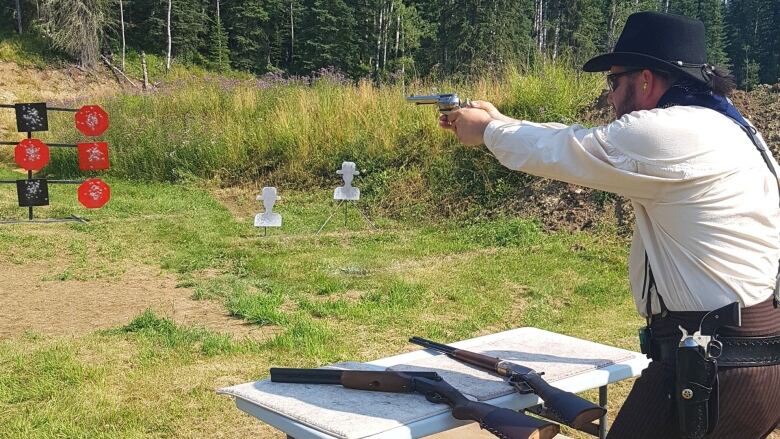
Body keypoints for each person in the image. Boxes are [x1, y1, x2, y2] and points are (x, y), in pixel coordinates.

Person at [439, 11, 780, 439]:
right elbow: (580, 140)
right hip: (734, 355)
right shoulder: (723, 126)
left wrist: (489, 131)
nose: (611, 96)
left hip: (711, 365)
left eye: (614, 81)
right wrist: (500, 123)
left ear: (645, 81)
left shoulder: (669, 131)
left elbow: (569, 150)